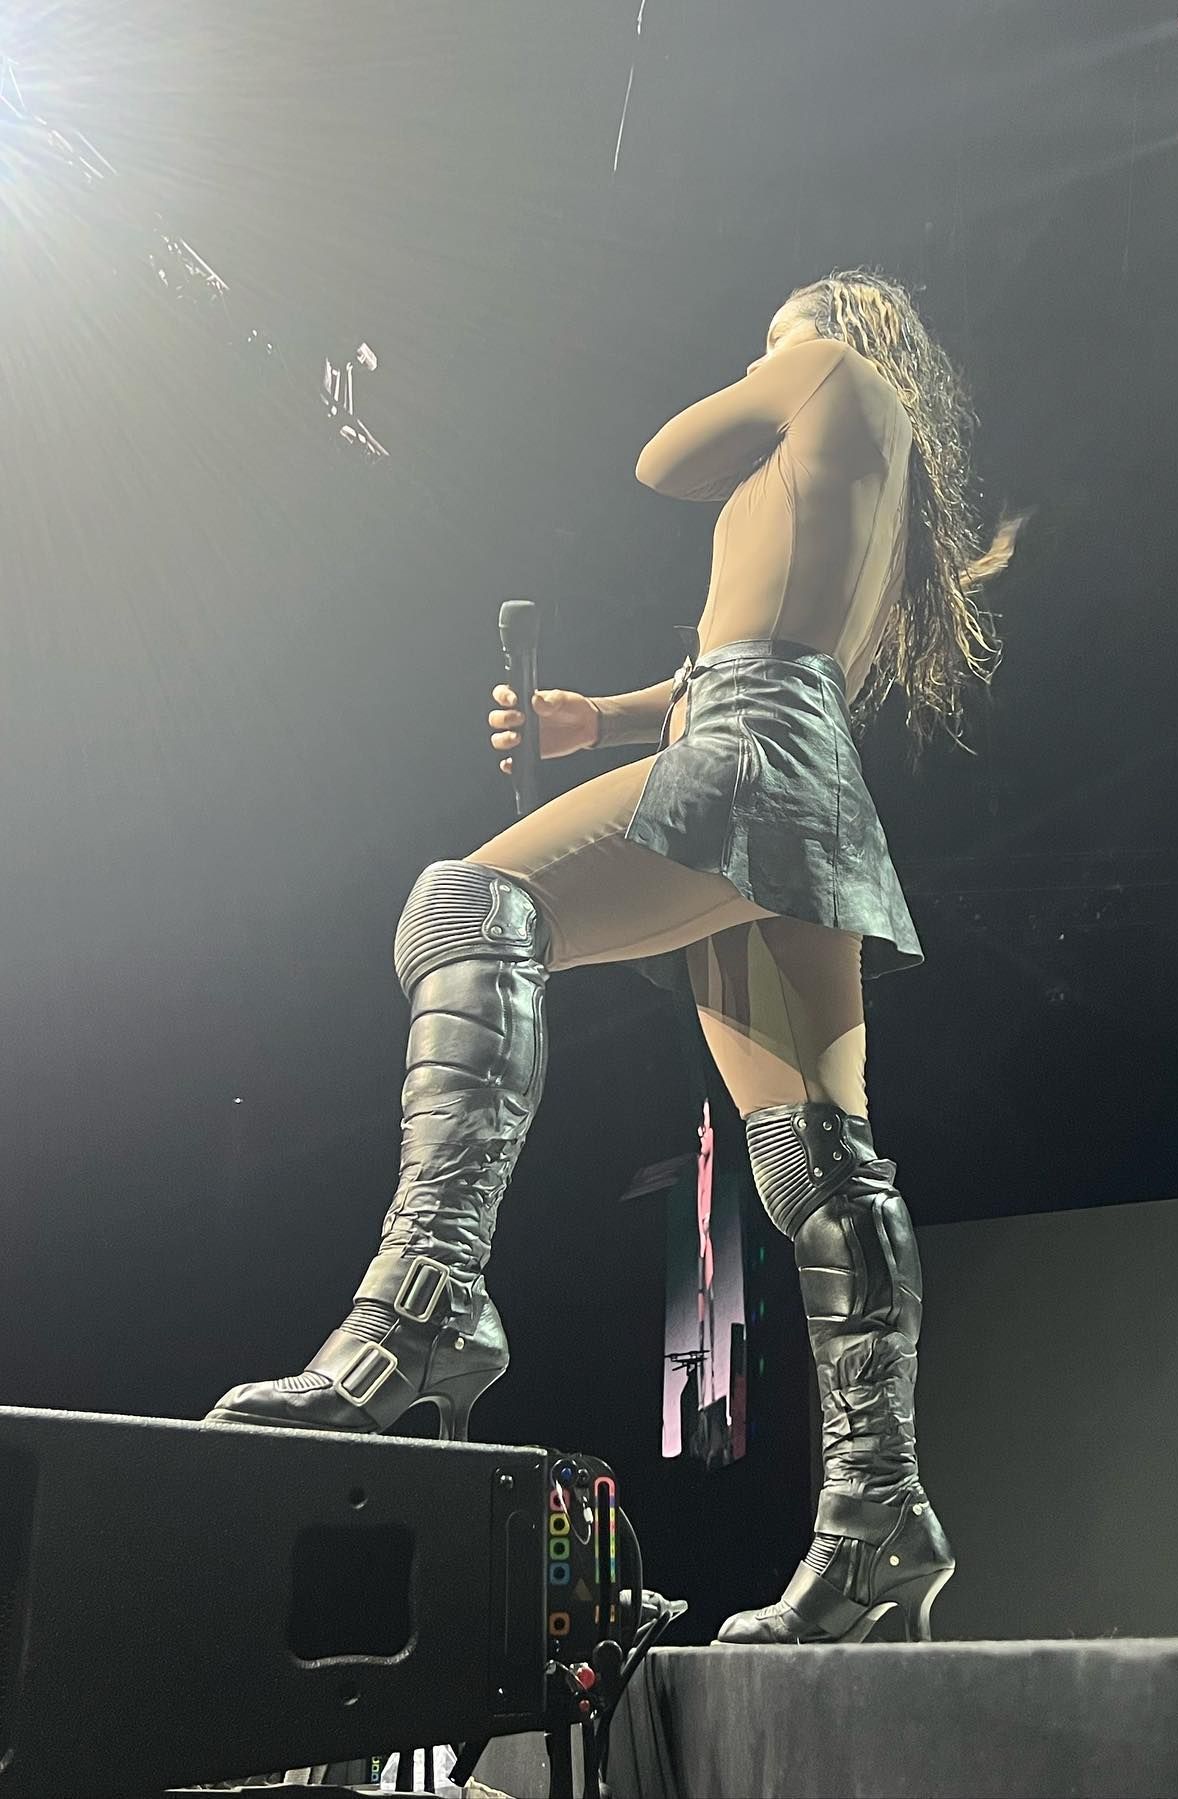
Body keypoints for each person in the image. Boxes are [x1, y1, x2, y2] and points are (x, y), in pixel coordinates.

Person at [205, 267, 1022, 1645]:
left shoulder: (825, 370)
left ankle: (425, 1302)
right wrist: (606, 720)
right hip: (802, 773)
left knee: (465, 907)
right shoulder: (877, 466)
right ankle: (879, 1515)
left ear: (831, 326)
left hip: (748, 760)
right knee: (824, 1163)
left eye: (776, 335)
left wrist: (769, 368)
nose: (765, 351)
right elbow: (765, 645)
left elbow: (663, 460)